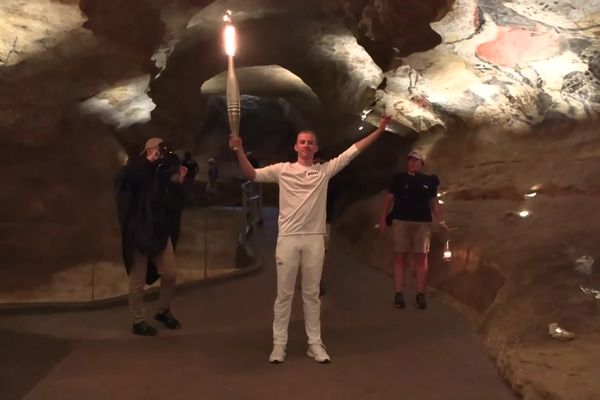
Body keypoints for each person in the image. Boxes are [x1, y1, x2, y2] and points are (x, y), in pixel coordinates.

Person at [229, 115, 391, 363]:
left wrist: (379, 130)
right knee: (284, 295)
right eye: (302, 142)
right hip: (288, 239)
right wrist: (239, 150)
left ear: (315, 148)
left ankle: (314, 344)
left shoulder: (323, 172)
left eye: (310, 143)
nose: (306, 146)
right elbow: (252, 174)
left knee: (311, 294)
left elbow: (352, 152)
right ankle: (278, 345)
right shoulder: (282, 170)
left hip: (314, 239)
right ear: (296, 147)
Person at [115, 137, 188, 336]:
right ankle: (138, 321)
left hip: (159, 230)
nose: (160, 153)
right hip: (138, 232)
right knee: (137, 279)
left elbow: (169, 201)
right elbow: (128, 179)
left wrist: (178, 184)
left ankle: (162, 310)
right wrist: (147, 161)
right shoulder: (136, 168)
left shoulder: (161, 171)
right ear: (148, 150)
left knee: (170, 273)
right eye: (156, 150)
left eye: (161, 150)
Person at [379, 149, 448, 310]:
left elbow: (434, 202)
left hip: (422, 223)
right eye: (410, 160)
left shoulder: (429, 181)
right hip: (401, 220)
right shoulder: (399, 179)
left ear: (421, 164)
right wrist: (383, 218)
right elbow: (390, 198)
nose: (412, 163)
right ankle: (398, 293)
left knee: (421, 257)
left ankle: (420, 294)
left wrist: (441, 220)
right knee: (400, 256)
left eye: (416, 161)